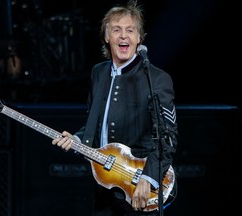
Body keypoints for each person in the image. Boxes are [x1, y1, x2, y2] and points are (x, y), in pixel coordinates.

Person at [52, 0, 178, 215]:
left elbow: (168, 138)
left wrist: (149, 178)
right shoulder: (98, 73)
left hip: (139, 186)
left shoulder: (156, 78)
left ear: (139, 38)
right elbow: (95, 122)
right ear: (106, 37)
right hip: (104, 185)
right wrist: (77, 139)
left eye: (130, 30)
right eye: (116, 30)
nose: (123, 36)